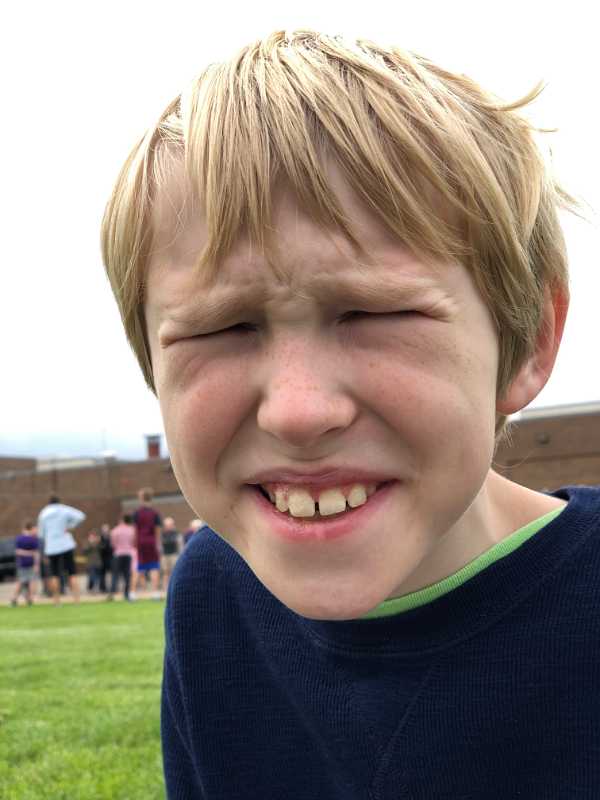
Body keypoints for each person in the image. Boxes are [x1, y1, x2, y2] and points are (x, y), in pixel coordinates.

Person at [101, 30, 599, 799]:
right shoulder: (214, 591)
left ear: (528, 340)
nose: (299, 411)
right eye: (221, 328)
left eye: (374, 313)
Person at [37, 496, 85, 605]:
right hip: (66, 544)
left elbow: (41, 534)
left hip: (52, 547)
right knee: (72, 572)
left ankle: (56, 601)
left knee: (54, 574)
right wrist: (69, 526)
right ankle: (76, 600)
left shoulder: (43, 513)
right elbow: (81, 516)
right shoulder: (64, 509)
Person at [133, 488, 162, 599]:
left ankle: (132, 593)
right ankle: (155, 593)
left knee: (139, 566)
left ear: (141, 498)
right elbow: (157, 530)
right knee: (154, 567)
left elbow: (135, 530)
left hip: (141, 542)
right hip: (152, 542)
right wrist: (158, 544)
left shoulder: (137, 513)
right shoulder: (155, 513)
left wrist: (135, 543)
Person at [10, 521, 40, 607]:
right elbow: (36, 553)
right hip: (28, 564)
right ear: (31, 528)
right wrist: (36, 564)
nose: (36, 531)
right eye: (35, 529)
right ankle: (29, 600)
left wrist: (25, 552)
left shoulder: (19, 538)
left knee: (21, 581)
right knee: (30, 581)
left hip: (21, 564)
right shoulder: (33, 539)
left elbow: (18, 551)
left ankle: (15, 599)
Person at [108, 513, 136, 601]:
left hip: (118, 554)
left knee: (115, 575)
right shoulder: (132, 530)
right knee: (127, 575)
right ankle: (126, 594)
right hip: (128, 554)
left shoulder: (115, 530)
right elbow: (133, 542)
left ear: (122, 520)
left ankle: (111, 594)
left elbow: (112, 543)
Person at [160, 517, 181, 592]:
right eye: (166, 525)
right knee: (165, 572)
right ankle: (165, 589)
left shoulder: (176, 533)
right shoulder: (162, 534)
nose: (168, 526)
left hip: (174, 555)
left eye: (169, 525)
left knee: (174, 572)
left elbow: (179, 544)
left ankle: (173, 588)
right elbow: (161, 543)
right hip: (165, 555)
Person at [98, 523, 114, 593]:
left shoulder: (111, 537)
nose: (105, 531)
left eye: (106, 529)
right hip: (102, 559)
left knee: (112, 574)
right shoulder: (100, 538)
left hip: (110, 558)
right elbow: (99, 548)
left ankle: (113, 588)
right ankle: (103, 588)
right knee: (102, 575)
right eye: (104, 529)